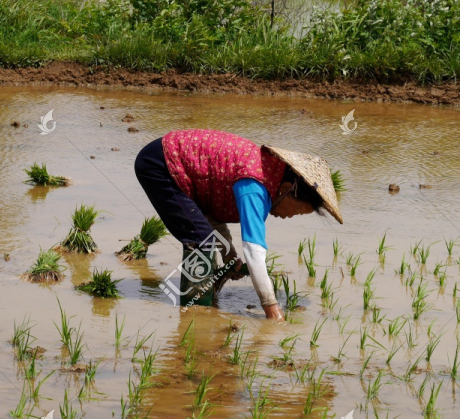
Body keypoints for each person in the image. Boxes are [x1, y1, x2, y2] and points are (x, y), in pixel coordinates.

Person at [134, 129, 343, 321]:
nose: (290, 217)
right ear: (286, 189)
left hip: (170, 161)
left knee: (203, 235)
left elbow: (209, 211)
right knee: (200, 241)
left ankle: (203, 304)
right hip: (160, 165)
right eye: (296, 211)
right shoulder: (255, 187)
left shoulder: (268, 174)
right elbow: (254, 252)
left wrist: (229, 254)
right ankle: (195, 314)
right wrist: (271, 308)